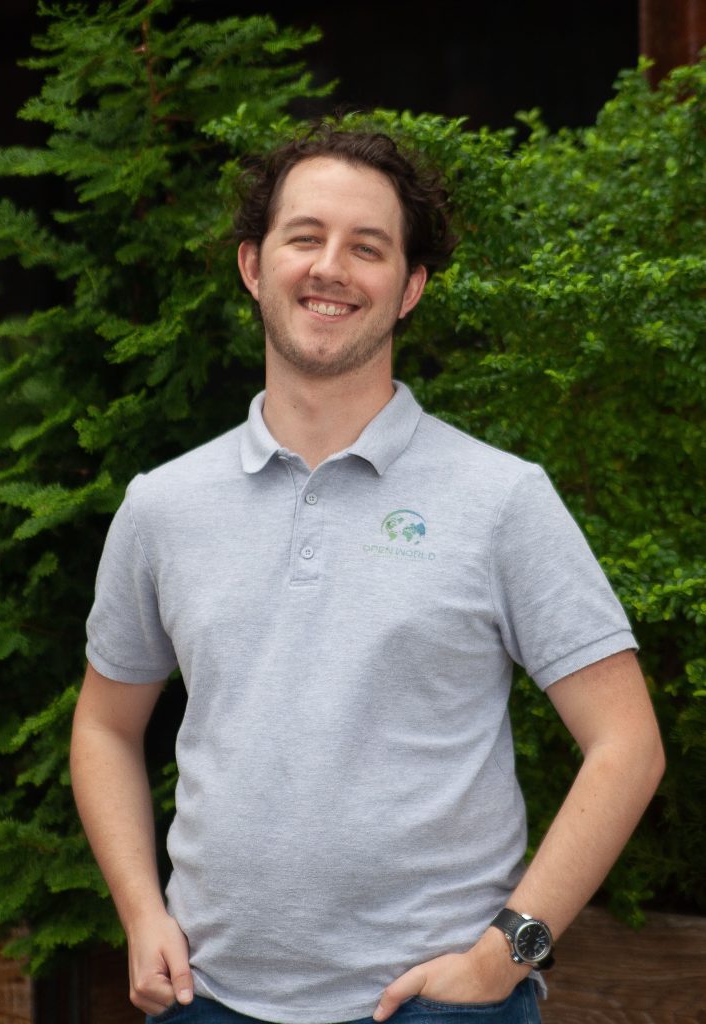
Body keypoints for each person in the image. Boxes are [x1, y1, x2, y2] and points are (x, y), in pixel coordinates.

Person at [70, 127, 665, 1024]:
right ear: (252, 264)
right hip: (208, 997)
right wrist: (140, 911)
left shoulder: (502, 499)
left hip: (440, 1002)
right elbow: (106, 727)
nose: (330, 268)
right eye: (304, 237)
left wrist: (509, 955)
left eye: (368, 247)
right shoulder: (164, 506)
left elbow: (627, 746)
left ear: (409, 288)